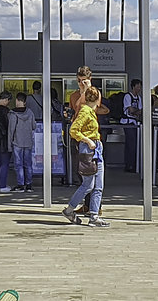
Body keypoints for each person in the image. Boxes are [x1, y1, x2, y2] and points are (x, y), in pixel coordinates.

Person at [62, 86, 109, 227]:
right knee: (88, 184)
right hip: (89, 148)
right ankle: (70, 209)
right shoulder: (85, 112)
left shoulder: (89, 111)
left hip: (95, 147)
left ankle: (94, 215)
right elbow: (74, 130)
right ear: (97, 99)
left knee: (97, 185)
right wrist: (88, 140)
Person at [9, 93, 35, 191]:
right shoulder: (30, 112)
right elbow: (34, 126)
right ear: (25, 102)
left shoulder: (13, 114)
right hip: (28, 141)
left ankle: (20, 184)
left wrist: (9, 143)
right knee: (28, 164)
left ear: (17, 100)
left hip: (17, 142)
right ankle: (29, 185)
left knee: (18, 164)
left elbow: (11, 130)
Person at [119, 79, 144, 174]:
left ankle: (134, 164)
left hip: (135, 123)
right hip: (128, 122)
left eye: (140, 87)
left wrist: (135, 111)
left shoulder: (139, 97)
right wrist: (135, 111)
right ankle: (129, 165)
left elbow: (139, 110)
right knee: (131, 144)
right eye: (137, 86)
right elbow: (131, 110)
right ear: (133, 86)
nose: (139, 89)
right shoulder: (127, 96)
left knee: (135, 144)